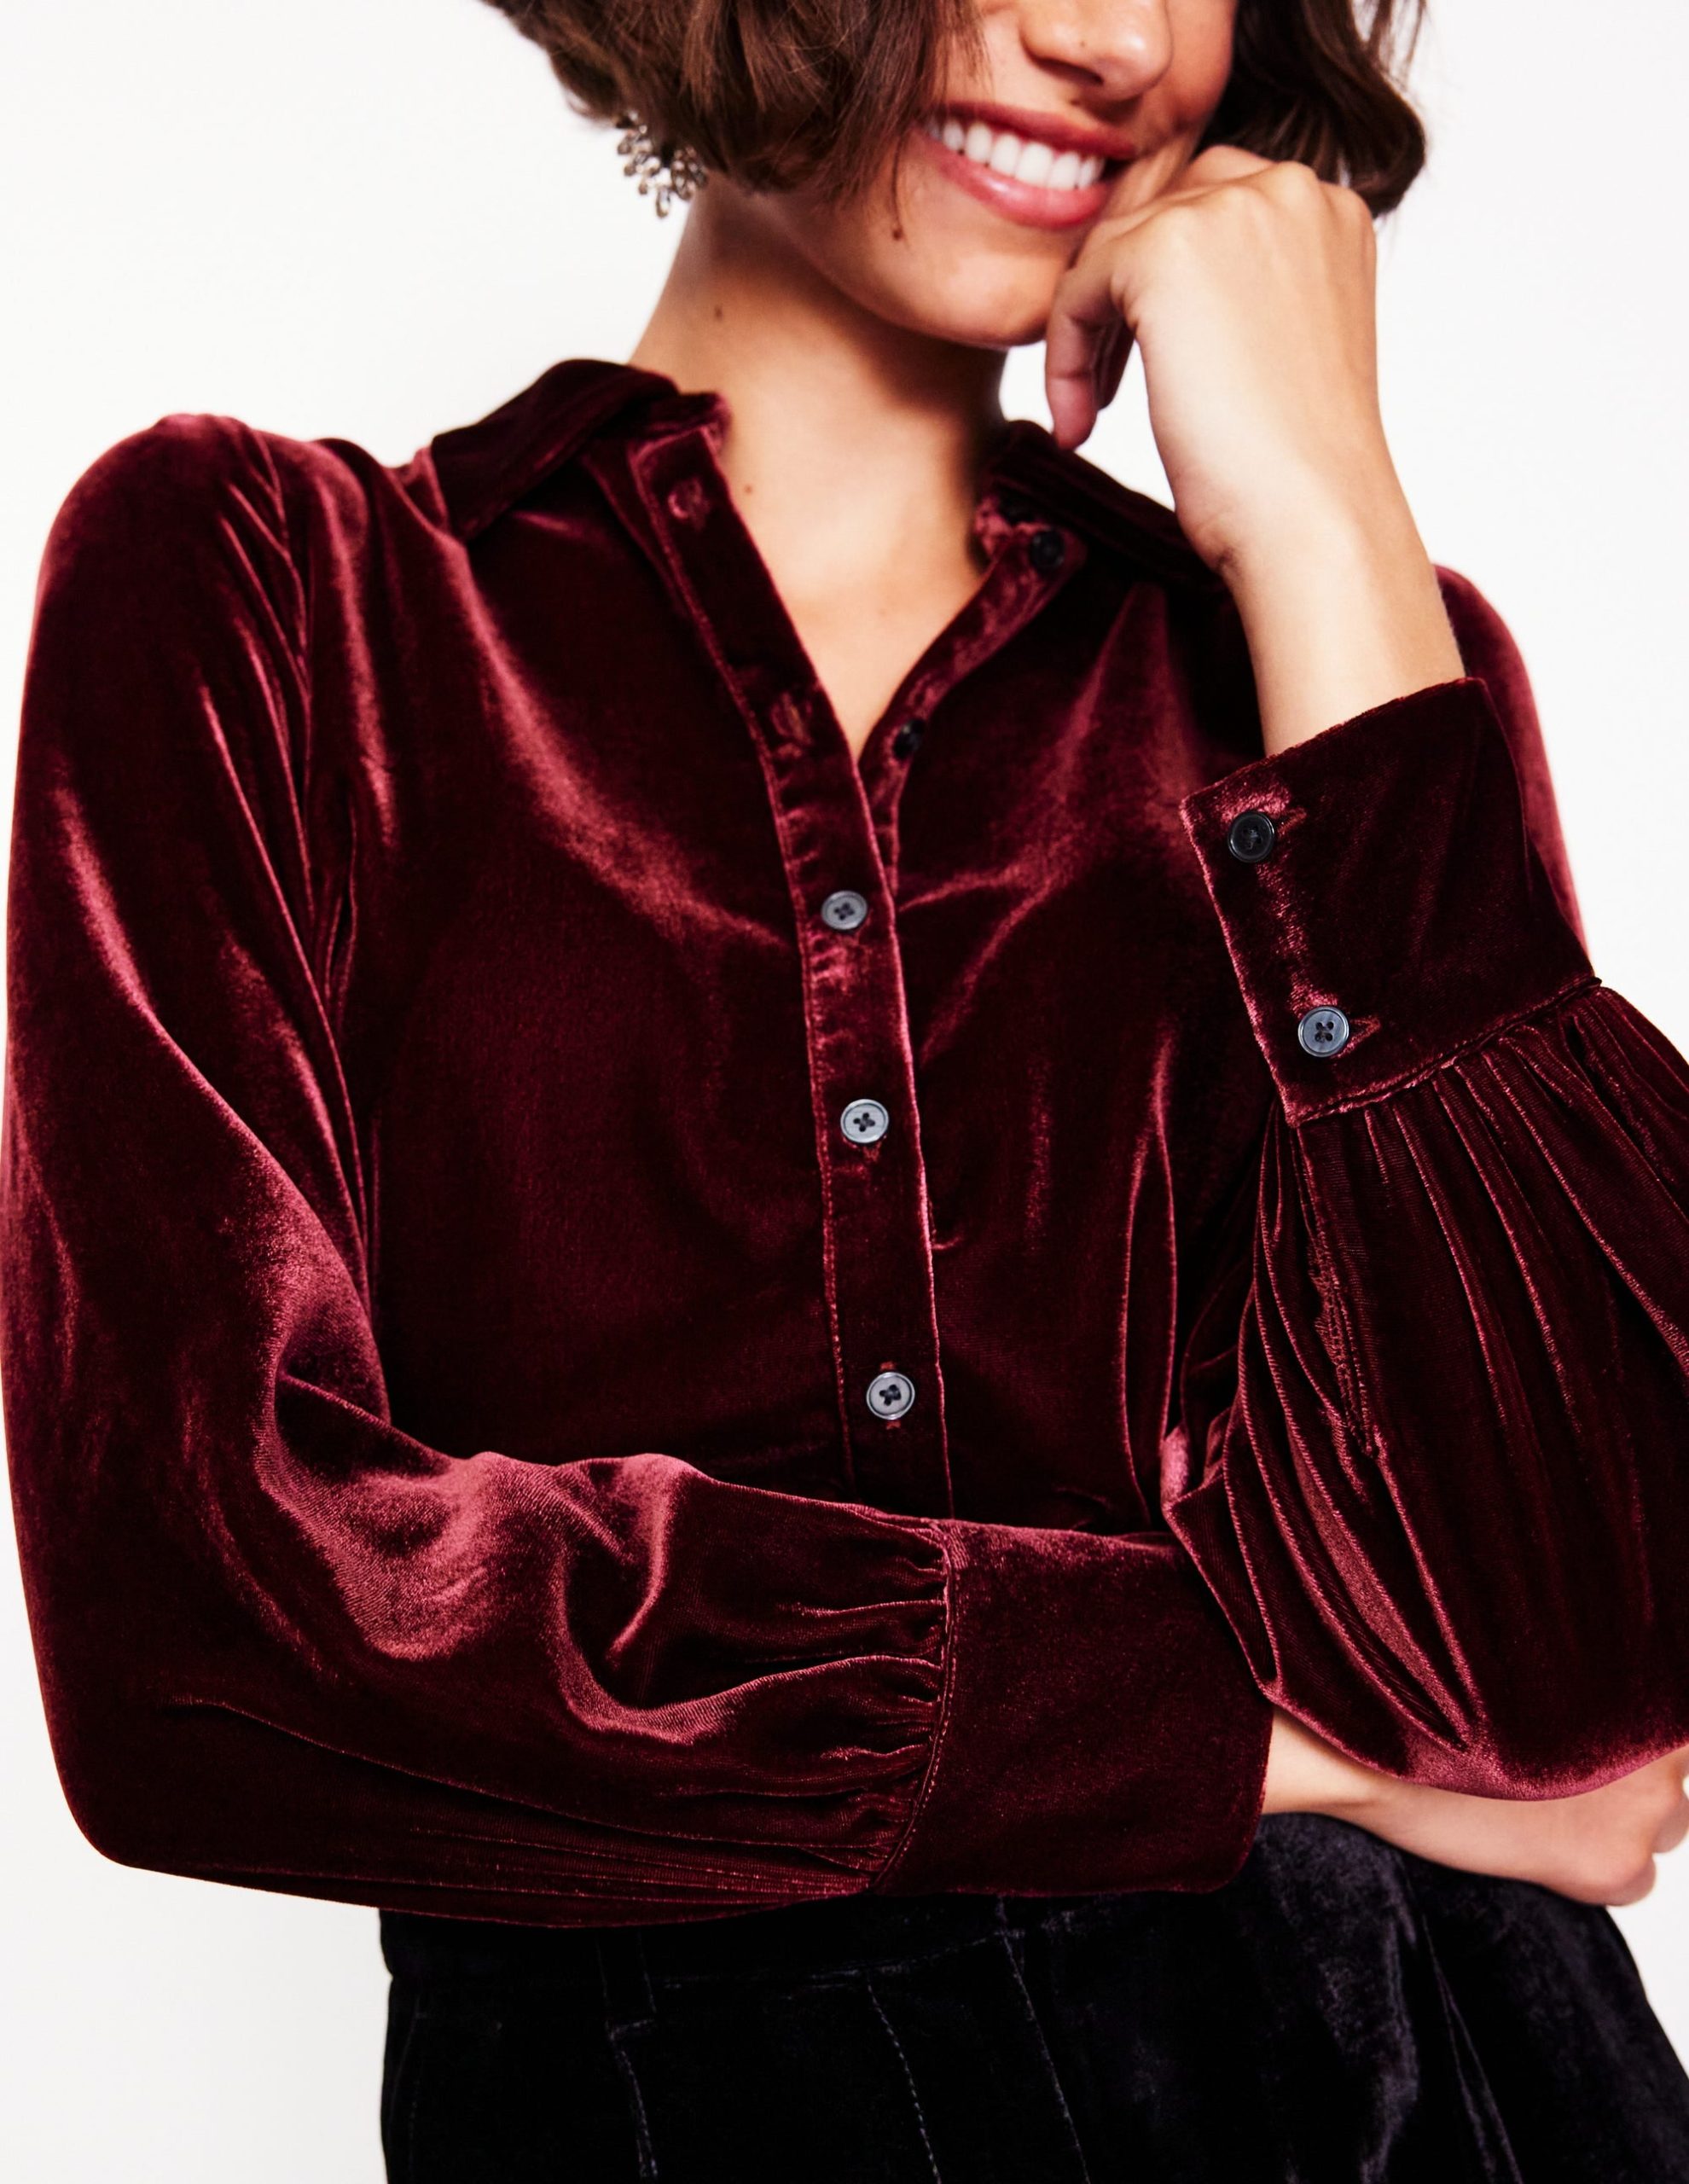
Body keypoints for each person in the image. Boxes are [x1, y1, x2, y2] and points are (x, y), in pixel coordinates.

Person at [6, 0, 1689, 2174]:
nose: (1108, 36)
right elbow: (203, 1625)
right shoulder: (274, 596)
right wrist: (1294, 1744)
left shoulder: (1349, 671)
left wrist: (1321, 512)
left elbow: (1588, 1682)